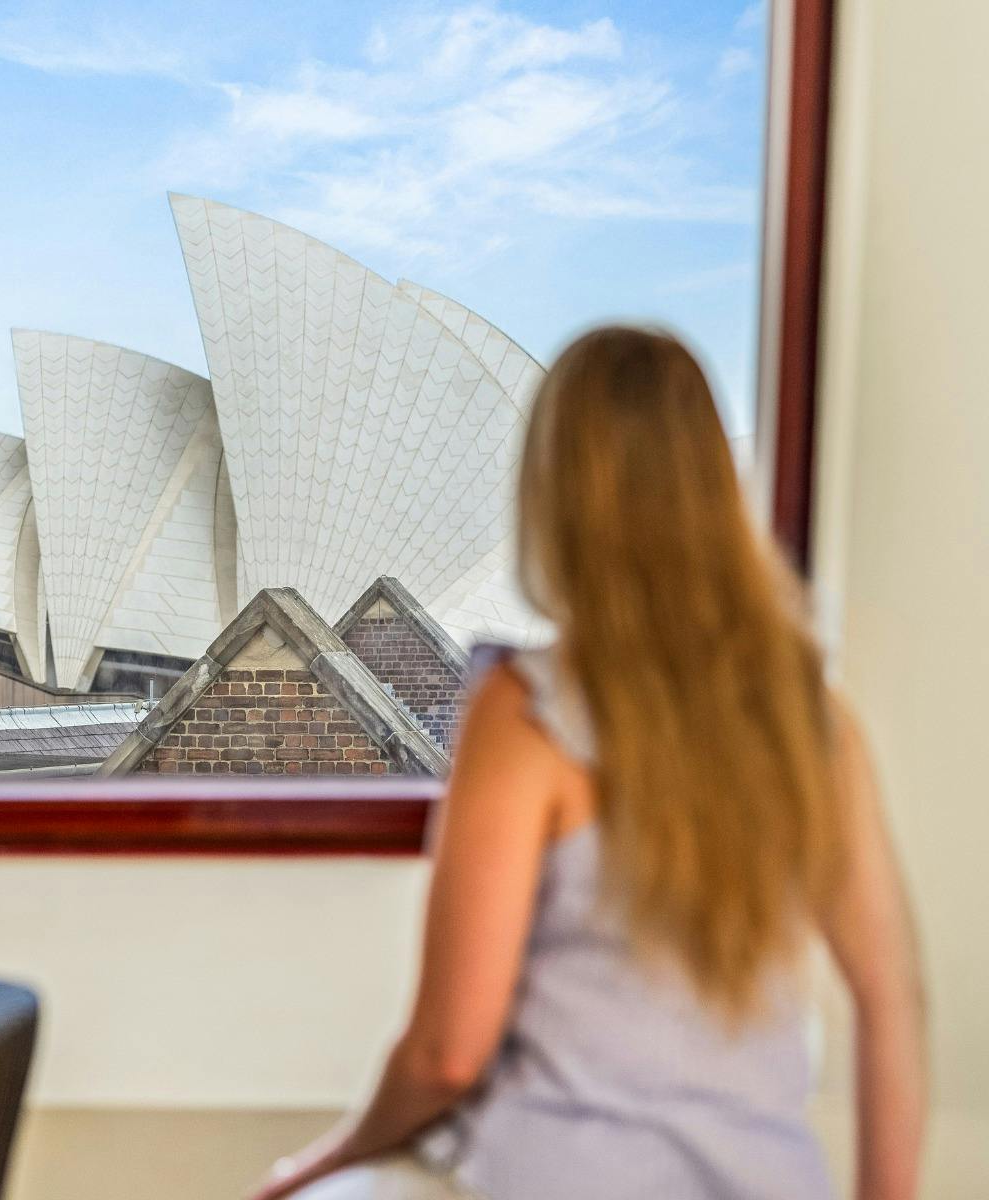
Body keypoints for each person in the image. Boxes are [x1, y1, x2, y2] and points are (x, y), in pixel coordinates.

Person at [251, 327, 927, 1200]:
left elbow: (448, 1054)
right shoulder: (815, 726)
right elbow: (892, 1000)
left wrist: (322, 1164)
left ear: (555, 491)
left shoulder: (529, 712)